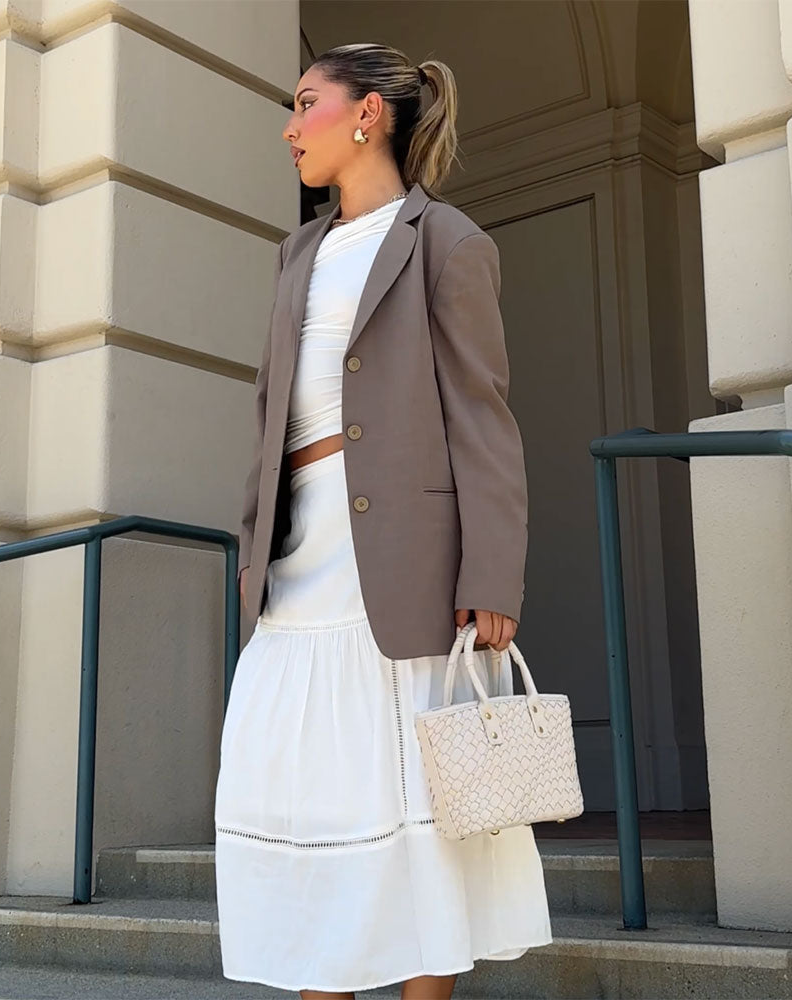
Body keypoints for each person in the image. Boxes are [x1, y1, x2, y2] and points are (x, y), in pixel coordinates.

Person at [214, 42, 552, 1000]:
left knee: (418, 816)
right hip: (296, 564)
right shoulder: (298, 253)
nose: (289, 126)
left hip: (407, 570)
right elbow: (270, 415)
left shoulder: (446, 242)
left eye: (304, 104)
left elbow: (482, 418)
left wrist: (493, 573)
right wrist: (253, 542)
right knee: (305, 802)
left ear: (367, 115)